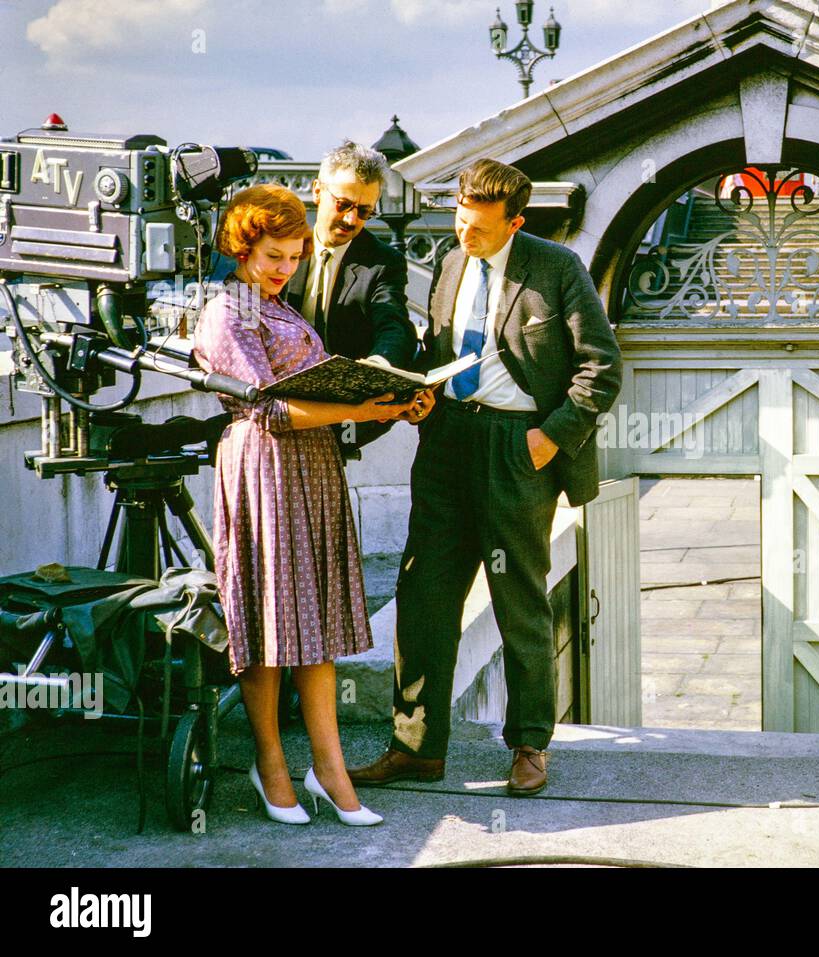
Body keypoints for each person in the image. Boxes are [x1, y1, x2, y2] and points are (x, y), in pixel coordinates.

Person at [348, 159, 622, 796]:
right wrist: (415, 390)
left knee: (518, 600)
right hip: (447, 443)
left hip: (516, 449)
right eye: (458, 219)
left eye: (476, 227)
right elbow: (442, 350)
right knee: (422, 599)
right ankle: (416, 747)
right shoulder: (451, 261)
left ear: (515, 221)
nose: (462, 234)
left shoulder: (556, 268)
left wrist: (549, 438)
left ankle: (529, 744)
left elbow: (601, 367)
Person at [194, 183, 419, 826]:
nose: (286, 267)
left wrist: (393, 401)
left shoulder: (279, 306)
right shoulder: (229, 309)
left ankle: (330, 770)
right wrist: (356, 407)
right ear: (243, 247)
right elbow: (263, 406)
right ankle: (271, 766)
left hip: (311, 468)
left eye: (294, 256)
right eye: (273, 256)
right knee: (268, 625)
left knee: (312, 627)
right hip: (263, 468)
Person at [284, 140, 421, 457]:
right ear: (317, 191)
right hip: (281, 406)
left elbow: (394, 326)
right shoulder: (279, 246)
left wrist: (378, 366)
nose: (351, 220)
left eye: (364, 212)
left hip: (342, 416)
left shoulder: (383, 261)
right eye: (343, 204)